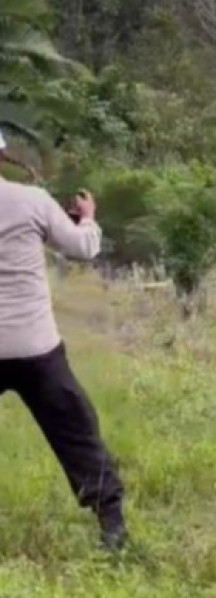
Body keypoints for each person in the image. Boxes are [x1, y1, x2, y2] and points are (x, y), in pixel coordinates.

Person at [0, 138, 127, 551]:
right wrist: (86, 218)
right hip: (35, 348)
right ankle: (112, 526)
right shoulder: (32, 200)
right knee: (76, 430)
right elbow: (82, 247)